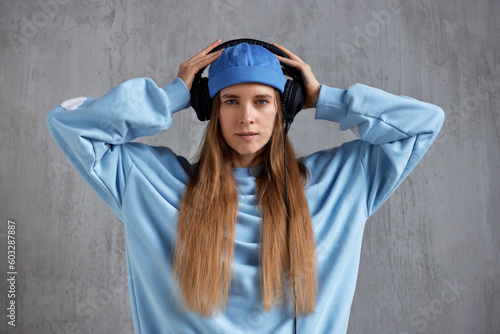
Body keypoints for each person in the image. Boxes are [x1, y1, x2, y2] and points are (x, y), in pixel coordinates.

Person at [46, 39, 445, 334]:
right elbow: (68, 124)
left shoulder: (340, 183)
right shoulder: (152, 184)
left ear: (285, 106)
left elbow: (423, 122)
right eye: (230, 101)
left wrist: (325, 97)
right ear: (210, 109)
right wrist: (171, 96)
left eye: (262, 101)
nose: (246, 118)